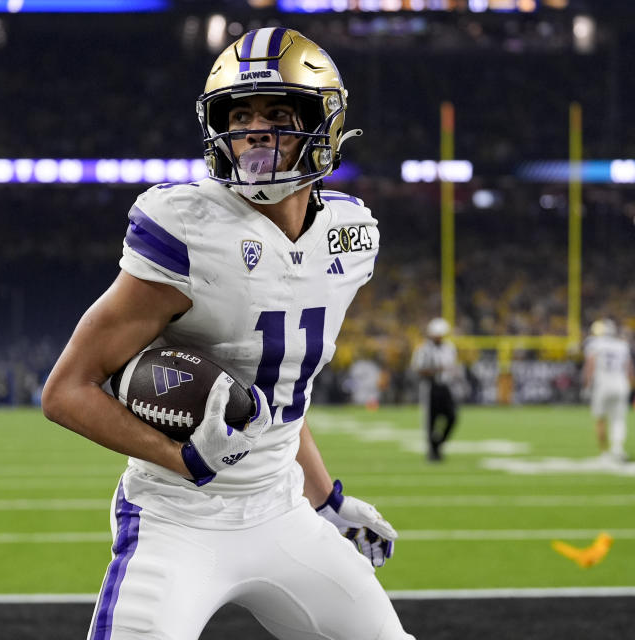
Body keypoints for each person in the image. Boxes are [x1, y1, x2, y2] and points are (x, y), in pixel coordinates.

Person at [41, 28, 415, 640]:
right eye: (240, 116)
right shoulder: (188, 227)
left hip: (282, 513)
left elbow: (279, 396)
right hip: (176, 518)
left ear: (325, 122)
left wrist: (329, 502)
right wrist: (181, 458)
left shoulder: (350, 237)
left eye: (279, 114)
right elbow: (66, 390)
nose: (256, 133)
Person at [582, 318, 635, 463]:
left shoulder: (595, 344)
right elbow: (630, 368)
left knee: (600, 419)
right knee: (618, 419)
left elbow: (590, 365)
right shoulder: (622, 345)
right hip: (621, 384)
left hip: (603, 385)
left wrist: (587, 385)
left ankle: (604, 453)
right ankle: (618, 449)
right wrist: (632, 384)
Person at [409, 317, 459, 462]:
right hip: (430, 387)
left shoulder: (449, 347)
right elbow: (417, 368)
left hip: (445, 387)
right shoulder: (423, 349)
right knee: (431, 420)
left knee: (452, 417)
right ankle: (433, 452)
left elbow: (451, 367)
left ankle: (438, 444)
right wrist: (436, 371)